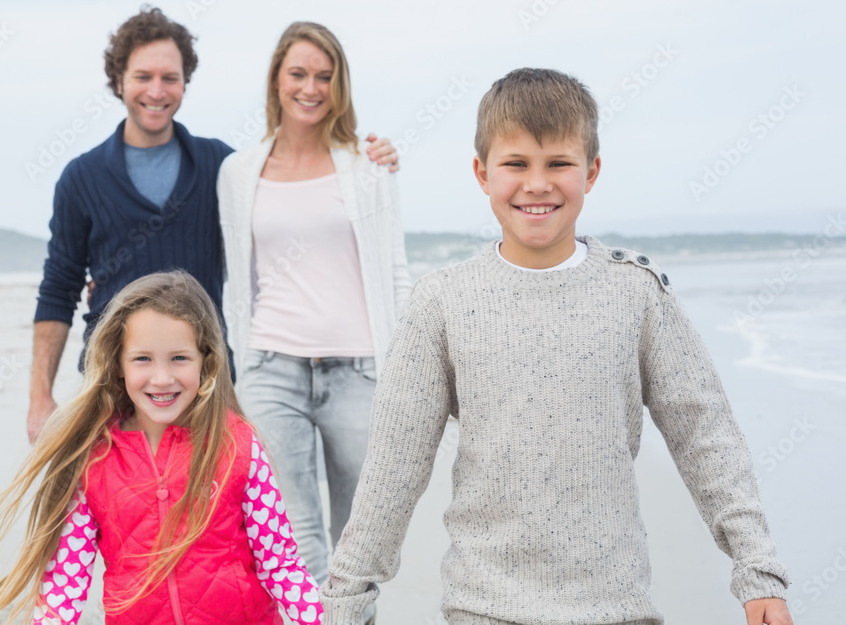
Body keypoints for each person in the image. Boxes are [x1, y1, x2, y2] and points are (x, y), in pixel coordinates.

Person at [320, 68, 793, 625]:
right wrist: (344, 600)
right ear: (482, 173)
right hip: (482, 609)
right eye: (516, 164)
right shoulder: (442, 303)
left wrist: (757, 570)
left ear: (591, 172)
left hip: (616, 610)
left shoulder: (636, 294)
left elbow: (706, 435)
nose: (537, 184)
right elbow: (393, 468)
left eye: (559, 164)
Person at [27, 7, 399, 444]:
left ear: (186, 82)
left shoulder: (223, 167)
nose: (157, 91)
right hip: (112, 388)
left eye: (170, 78)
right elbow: (58, 288)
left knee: (208, 513)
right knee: (114, 512)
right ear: (119, 80)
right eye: (143, 77)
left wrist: (368, 157)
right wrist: (40, 397)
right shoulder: (81, 177)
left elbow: (287, 234)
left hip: (204, 387)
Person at [0, 271, 324, 624]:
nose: (162, 377)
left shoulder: (238, 445)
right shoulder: (93, 460)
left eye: (179, 358)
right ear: (117, 364)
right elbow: (64, 583)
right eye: (143, 359)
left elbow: (281, 565)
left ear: (207, 362)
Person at [217, 21, 412, 595]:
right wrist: (240, 362)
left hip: (357, 371)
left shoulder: (369, 166)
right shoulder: (238, 172)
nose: (311, 87)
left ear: (339, 86)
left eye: (324, 77)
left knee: (358, 538)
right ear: (276, 80)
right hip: (270, 368)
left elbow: (394, 271)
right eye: (298, 73)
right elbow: (235, 273)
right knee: (294, 537)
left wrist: (401, 367)